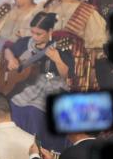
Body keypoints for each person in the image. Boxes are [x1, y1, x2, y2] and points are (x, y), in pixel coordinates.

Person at [4, 12, 73, 151]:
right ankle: (15, 148)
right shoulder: (26, 42)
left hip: (51, 85)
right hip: (27, 85)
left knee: (33, 110)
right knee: (13, 105)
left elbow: (65, 74)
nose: (35, 37)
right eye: (33, 32)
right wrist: (11, 59)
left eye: (39, 34)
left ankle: (36, 149)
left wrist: (57, 59)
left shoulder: (59, 47)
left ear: (50, 31)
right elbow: (8, 49)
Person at [44, 0, 107, 90]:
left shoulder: (84, 8)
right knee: (49, 86)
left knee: (72, 90)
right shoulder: (50, 7)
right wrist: (45, 7)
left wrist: (93, 68)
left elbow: (95, 41)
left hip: (76, 59)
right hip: (51, 56)